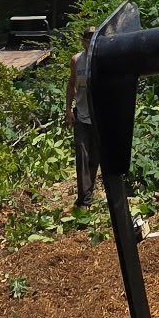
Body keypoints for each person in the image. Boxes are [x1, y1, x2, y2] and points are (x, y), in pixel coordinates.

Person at [66, 28, 100, 208]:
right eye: (86, 39)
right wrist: (68, 110)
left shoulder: (102, 59)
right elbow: (71, 84)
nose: (89, 43)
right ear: (82, 41)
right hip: (81, 114)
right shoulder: (76, 60)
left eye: (92, 39)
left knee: (94, 157)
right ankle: (84, 201)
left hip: (99, 117)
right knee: (82, 155)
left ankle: (89, 192)